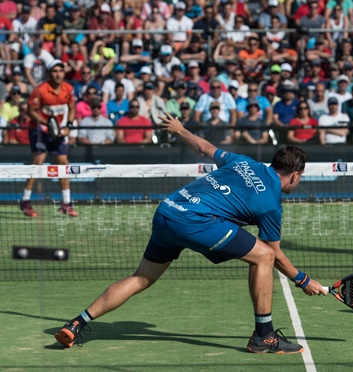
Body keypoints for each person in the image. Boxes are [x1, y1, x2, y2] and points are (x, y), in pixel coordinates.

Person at [54, 112, 325, 352]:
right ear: (295, 175)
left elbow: (205, 147)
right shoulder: (271, 206)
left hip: (167, 211)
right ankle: (263, 337)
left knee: (141, 278)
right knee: (263, 255)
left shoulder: (245, 162)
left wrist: (180, 129)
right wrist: (303, 280)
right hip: (195, 221)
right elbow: (274, 253)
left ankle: (77, 323)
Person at [20, 59, 77, 218]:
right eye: (54, 71)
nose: (57, 74)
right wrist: (47, 124)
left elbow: (72, 108)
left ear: (63, 73)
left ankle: (66, 203)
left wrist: (69, 126)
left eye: (60, 71)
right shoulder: (40, 90)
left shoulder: (68, 89)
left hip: (57, 132)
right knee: (38, 162)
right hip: (39, 130)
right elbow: (31, 111)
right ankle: (25, 201)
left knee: (64, 163)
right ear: (49, 73)